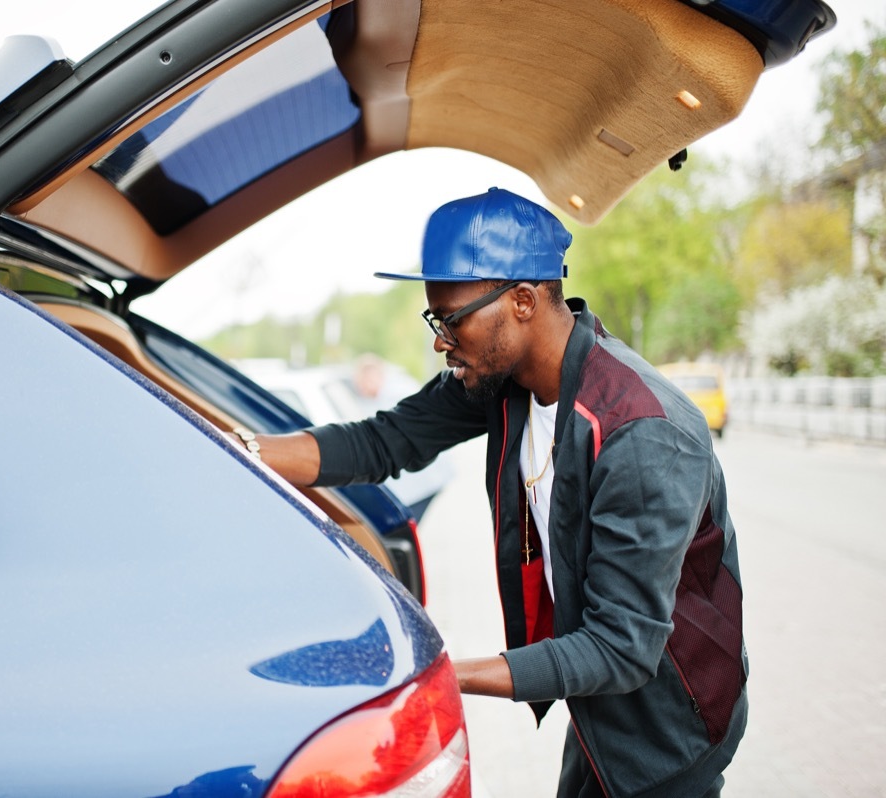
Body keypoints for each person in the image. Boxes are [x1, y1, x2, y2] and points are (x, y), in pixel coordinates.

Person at [233, 187, 747, 797]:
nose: (439, 340)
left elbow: (621, 648)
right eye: (434, 319)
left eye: (450, 319)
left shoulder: (641, 431)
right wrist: (230, 449)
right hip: (600, 713)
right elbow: (382, 441)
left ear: (523, 301)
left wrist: (440, 672)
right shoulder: (505, 382)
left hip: (668, 729)